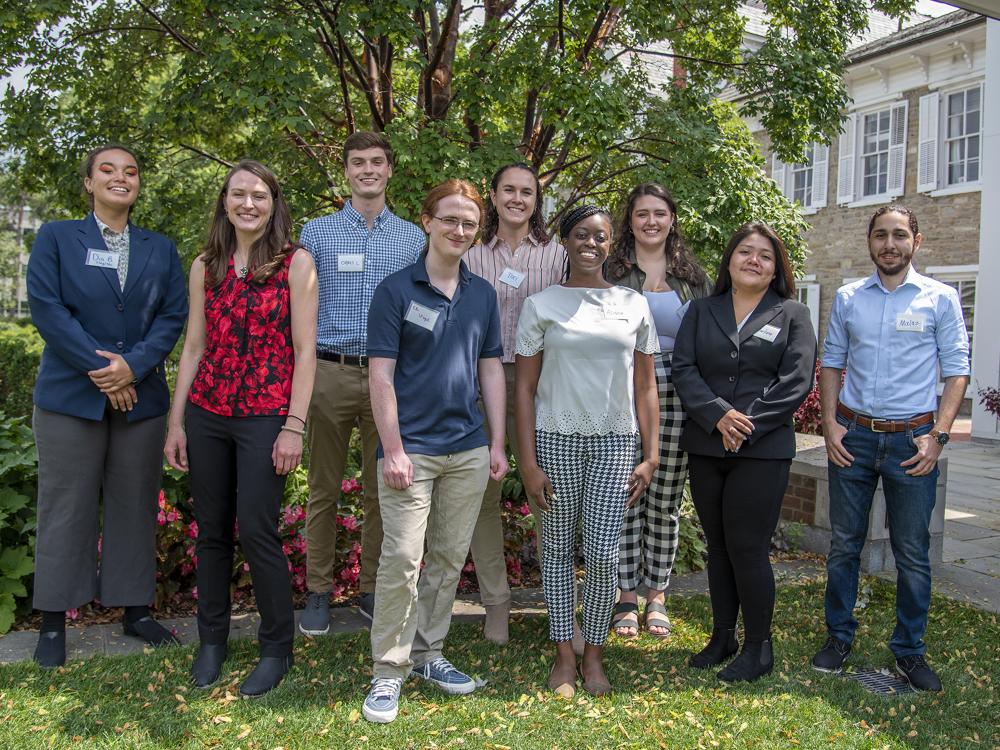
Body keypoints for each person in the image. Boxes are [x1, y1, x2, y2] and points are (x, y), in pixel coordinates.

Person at [27, 144, 187, 668]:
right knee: (65, 506)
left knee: (135, 502)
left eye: (132, 171)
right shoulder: (55, 237)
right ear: (89, 183)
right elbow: (48, 311)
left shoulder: (160, 248)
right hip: (71, 398)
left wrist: (132, 368)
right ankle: (53, 620)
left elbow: (171, 316)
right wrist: (105, 370)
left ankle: (135, 610)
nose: (122, 178)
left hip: (139, 399)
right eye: (108, 170)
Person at [164, 160, 318, 697]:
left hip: (265, 415)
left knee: (256, 530)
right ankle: (213, 641)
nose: (247, 204)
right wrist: (177, 422)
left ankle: (276, 648)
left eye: (259, 195)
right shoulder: (205, 264)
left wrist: (293, 426)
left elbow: (305, 351)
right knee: (210, 534)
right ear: (224, 202)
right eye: (237, 194)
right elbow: (194, 347)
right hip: (207, 412)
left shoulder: (296, 263)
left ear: (274, 203)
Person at [361, 179, 508, 723]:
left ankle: (429, 653)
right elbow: (380, 376)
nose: (459, 230)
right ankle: (387, 672)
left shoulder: (482, 294)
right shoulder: (395, 290)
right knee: (401, 559)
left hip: (467, 448)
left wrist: (496, 441)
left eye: (469, 223)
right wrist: (393, 449)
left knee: (447, 558)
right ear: (427, 221)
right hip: (411, 451)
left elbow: (490, 367)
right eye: (449, 219)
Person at [811, 205, 969, 692]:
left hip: (912, 441)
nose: (889, 244)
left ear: (915, 242)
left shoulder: (940, 299)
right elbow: (832, 361)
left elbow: (957, 369)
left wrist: (938, 436)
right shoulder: (849, 297)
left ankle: (909, 651)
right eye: (880, 235)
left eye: (899, 235)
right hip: (853, 438)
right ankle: (838, 638)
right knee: (844, 547)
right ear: (870, 243)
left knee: (912, 552)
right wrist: (830, 424)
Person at [515, 205, 659, 698]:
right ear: (565, 241)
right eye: (581, 234)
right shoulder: (541, 304)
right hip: (555, 438)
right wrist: (528, 462)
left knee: (601, 554)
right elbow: (523, 390)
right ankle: (563, 655)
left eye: (599, 236)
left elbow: (646, 387)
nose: (590, 243)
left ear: (610, 242)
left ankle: (593, 655)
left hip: (616, 442)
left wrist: (651, 454)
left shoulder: (633, 304)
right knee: (555, 551)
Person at [672, 223, 815, 683]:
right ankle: (722, 637)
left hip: (763, 449)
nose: (754, 260)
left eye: (765, 256)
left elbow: (796, 380)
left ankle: (759, 647)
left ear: (776, 270)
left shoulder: (792, 313)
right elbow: (684, 368)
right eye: (745, 252)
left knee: (748, 549)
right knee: (718, 548)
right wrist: (717, 415)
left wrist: (744, 423)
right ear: (729, 260)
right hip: (707, 444)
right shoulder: (700, 310)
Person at [298, 131, 424, 636]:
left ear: (390, 169)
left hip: (389, 377)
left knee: (383, 490)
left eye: (376, 162)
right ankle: (318, 591)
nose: (367, 170)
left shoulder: (413, 238)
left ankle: (372, 586)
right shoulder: (318, 234)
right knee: (323, 488)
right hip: (329, 370)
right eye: (357, 163)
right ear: (346, 171)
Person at [605, 183, 714, 639]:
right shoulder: (611, 271)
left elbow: (712, 338)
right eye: (641, 213)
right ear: (628, 221)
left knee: (666, 500)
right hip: (622, 395)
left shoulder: (695, 279)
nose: (651, 221)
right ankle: (625, 595)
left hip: (680, 399)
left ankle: (658, 595)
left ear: (672, 219)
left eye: (660, 213)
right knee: (627, 495)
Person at [464, 162, 566, 645]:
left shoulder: (558, 256)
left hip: (540, 386)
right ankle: (497, 605)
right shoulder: (469, 252)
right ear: (493, 194)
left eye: (527, 191)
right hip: (478, 383)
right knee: (482, 495)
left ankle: (559, 606)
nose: (518, 199)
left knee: (546, 496)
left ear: (536, 199)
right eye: (509, 189)